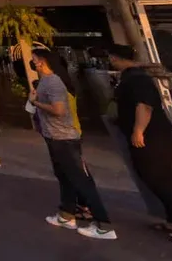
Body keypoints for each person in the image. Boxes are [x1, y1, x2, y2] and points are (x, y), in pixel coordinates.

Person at [107, 45, 172, 243]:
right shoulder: (131, 77)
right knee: (163, 179)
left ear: (115, 58)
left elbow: (145, 106)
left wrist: (138, 131)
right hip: (155, 137)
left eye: (111, 57)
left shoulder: (137, 79)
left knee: (157, 179)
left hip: (153, 138)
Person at [30, 48, 116, 241]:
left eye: (35, 60)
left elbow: (59, 110)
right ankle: (66, 215)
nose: (33, 63)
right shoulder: (46, 81)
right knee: (65, 177)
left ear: (43, 61)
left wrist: (35, 103)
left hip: (64, 139)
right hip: (55, 137)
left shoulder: (53, 82)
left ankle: (103, 224)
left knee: (80, 180)